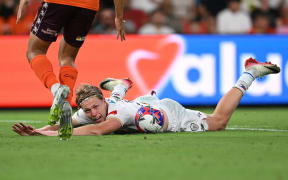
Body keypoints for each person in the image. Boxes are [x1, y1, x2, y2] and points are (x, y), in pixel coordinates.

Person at [13, 58, 280, 137]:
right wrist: (37, 129)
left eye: (96, 107)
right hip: (144, 106)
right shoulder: (90, 108)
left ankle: (248, 73)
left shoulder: (114, 114)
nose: (93, 113)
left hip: (169, 115)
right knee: (129, 106)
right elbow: (64, 124)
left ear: (102, 100)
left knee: (219, 122)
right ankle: (122, 84)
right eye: (89, 110)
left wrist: (43, 135)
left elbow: (96, 131)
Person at [16, 0, 126, 138]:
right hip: (88, 7)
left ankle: (55, 88)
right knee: (67, 58)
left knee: (34, 51)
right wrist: (119, 17)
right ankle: (65, 102)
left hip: (58, 2)